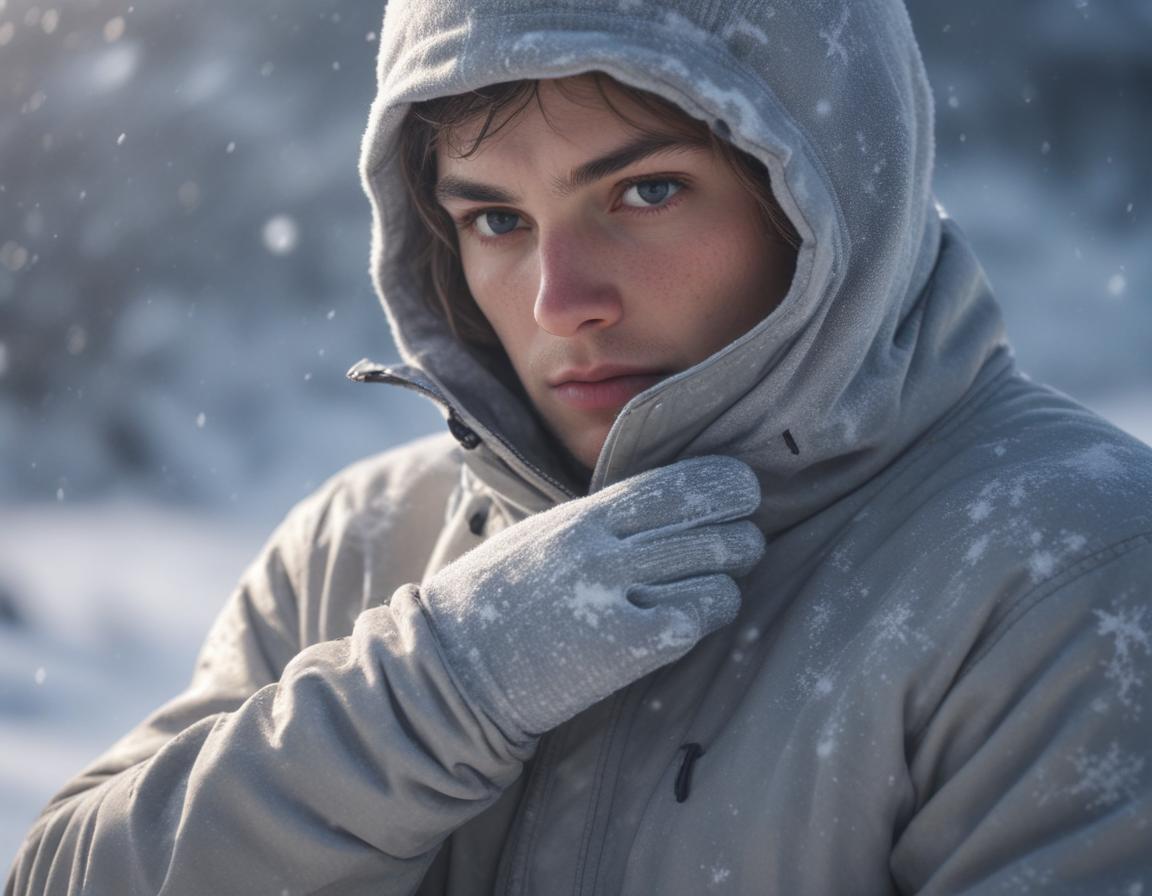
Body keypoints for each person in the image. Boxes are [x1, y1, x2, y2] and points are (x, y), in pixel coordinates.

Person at [7, 0, 1151, 892]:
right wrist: (441, 691)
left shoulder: (1070, 567)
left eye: (645, 190)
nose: (560, 300)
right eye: (496, 219)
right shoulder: (363, 547)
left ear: (832, 194)